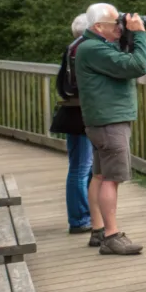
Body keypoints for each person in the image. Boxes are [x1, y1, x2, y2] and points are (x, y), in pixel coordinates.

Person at [75, 2, 146, 255]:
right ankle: (111, 236)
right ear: (98, 27)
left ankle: (98, 229)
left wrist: (127, 35)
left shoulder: (94, 47)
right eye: (114, 23)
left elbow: (124, 60)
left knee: (99, 175)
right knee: (111, 179)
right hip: (109, 122)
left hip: (102, 120)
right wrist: (139, 34)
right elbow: (138, 66)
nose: (119, 26)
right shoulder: (94, 49)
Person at [52, 13, 93, 233]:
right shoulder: (81, 51)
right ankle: (79, 219)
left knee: (84, 166)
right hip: (81, 113)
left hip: (76, 112)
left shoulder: (72, 49)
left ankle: (86, 214)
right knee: (81, 167)